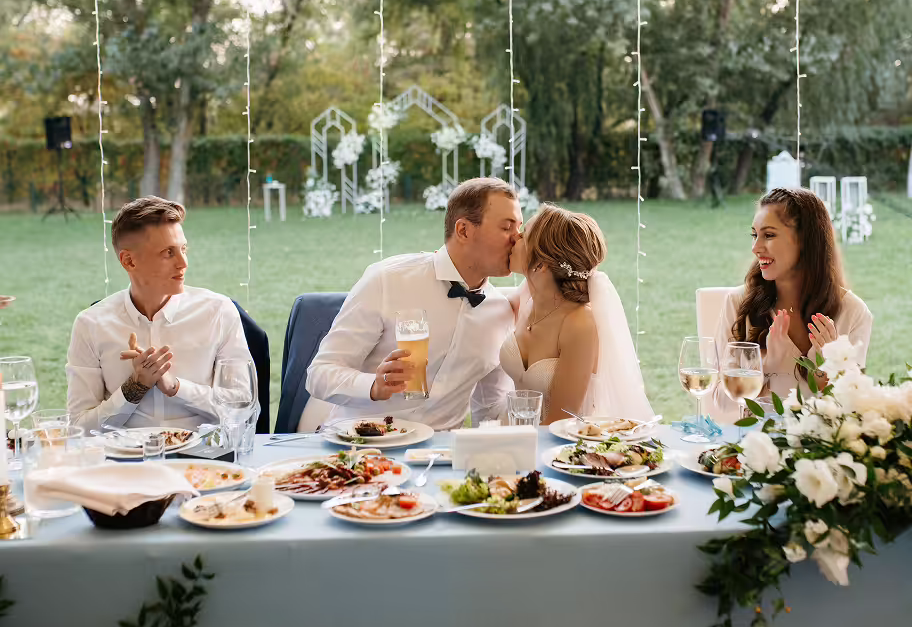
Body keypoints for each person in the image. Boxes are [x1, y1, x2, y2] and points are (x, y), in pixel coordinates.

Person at [306, 177, 522, 431]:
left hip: (440, 457)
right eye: (507, 228)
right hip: (363, 446)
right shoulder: (388, 280)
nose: (517, 239)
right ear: (463, 230)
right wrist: (373, 386)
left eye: (520, 229)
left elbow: (490, 409)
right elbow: (319, 374)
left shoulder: (502, 313)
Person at [66, 196, 255, 432]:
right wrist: (134, 388)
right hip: (122, 465)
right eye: (168, 252)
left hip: (203, 462)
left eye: (183, 249)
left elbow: (242, 408)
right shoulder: (91, 325)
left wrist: (176, 387)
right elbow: (78, 428)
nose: (183, 262)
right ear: (129, 261)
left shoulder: (218, 312)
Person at [710, 187, 873, 420]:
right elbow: (721, 403)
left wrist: (824, 369)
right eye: (754, 235)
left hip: (818, 452)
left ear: (805, 241)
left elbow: (854, 412)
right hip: (752, 448)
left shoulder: (853, 313)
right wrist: (764, 366)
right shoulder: (737, 303)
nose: (755, 248)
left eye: (769, 235)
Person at [501, 204, 654, 425]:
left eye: (524, 235)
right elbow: (483, 298)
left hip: (556, 448)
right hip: (511, 437)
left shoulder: (579, 323)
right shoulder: (528, 296)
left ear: (542, 264)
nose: (515, 237)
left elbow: (560, 421)